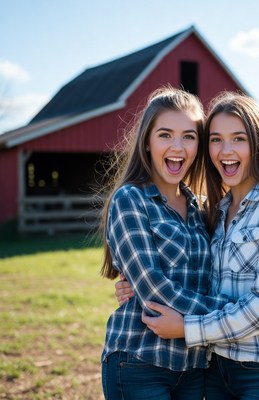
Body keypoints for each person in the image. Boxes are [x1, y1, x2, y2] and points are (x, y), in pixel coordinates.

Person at [137, 92, 259, 400]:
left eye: (238, 139)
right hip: (216, 370)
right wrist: (132, 286)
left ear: (258, 144)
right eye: (216, 140)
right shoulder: (214, 211)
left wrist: (189, 328)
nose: (225, 150)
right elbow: (191, 275)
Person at [99, 86, 240, 400]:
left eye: (189, 136)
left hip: (194, 369)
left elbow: (219, 277)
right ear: (147, 142)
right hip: (139, 361)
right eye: (165, 134)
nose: (178, 146)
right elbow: (154, 289)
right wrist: (240, 313)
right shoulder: (131, 200)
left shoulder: (204, 209)